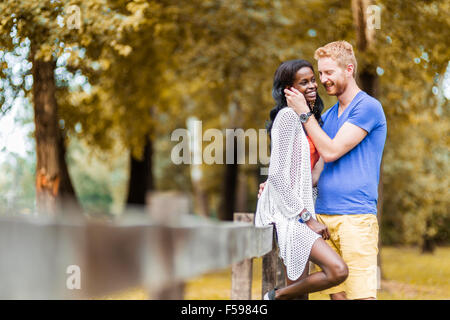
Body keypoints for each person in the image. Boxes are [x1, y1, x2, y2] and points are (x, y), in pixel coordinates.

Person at [283, 41, 387, 300]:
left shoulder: (368, 107)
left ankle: (278, 295)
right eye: (321, 74)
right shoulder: (328, 117)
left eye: (329, 73)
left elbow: (330, 151)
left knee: (361, 296)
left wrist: (304, 115)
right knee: (337, 297)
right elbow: (316, 171)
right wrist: (278, 186)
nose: (323, 80)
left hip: (356, 217)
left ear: (348, 69)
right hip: (324, 219)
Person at [255, 59, 348, 300]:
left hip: (301, 210)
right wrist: (306, 217)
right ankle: (274, 296)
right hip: (292, 215)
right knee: (337, 271)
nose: (312, 86)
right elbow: (276, 175)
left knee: (301, 292)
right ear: (289, 89)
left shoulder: (307, 120)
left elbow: (308, 172)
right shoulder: (287, 117)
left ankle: (280, 296)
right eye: (303, 82)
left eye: (312, 80)